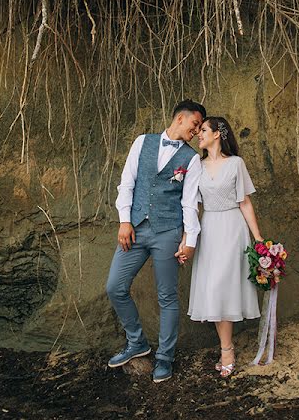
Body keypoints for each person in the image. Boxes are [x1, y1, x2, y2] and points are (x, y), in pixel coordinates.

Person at [105, 99, 206, 383]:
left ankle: (164, 358)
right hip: (135, 228)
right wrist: (124, 221)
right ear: (180, 119)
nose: (197, 132)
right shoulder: (142, 142)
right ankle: (136, 342)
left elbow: (190, 204)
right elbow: (127, 183)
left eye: (200, 128)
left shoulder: (192, 159)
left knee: (167, 297)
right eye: (195, 124)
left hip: (168, 232)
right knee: (115, 286)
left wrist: (190, 241)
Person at [182, 116, 263, 378]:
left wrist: (259, 240)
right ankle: (226, 348)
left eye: (203, 130)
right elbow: (192, 207)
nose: (198, 134)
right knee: (214, 288)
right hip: (210, 230)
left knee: (223, 286)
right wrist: (187, 239)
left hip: (233, 228)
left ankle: (226, 350)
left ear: (217, 134)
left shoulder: (236, 164)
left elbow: (245, 203)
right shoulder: (197, 165)